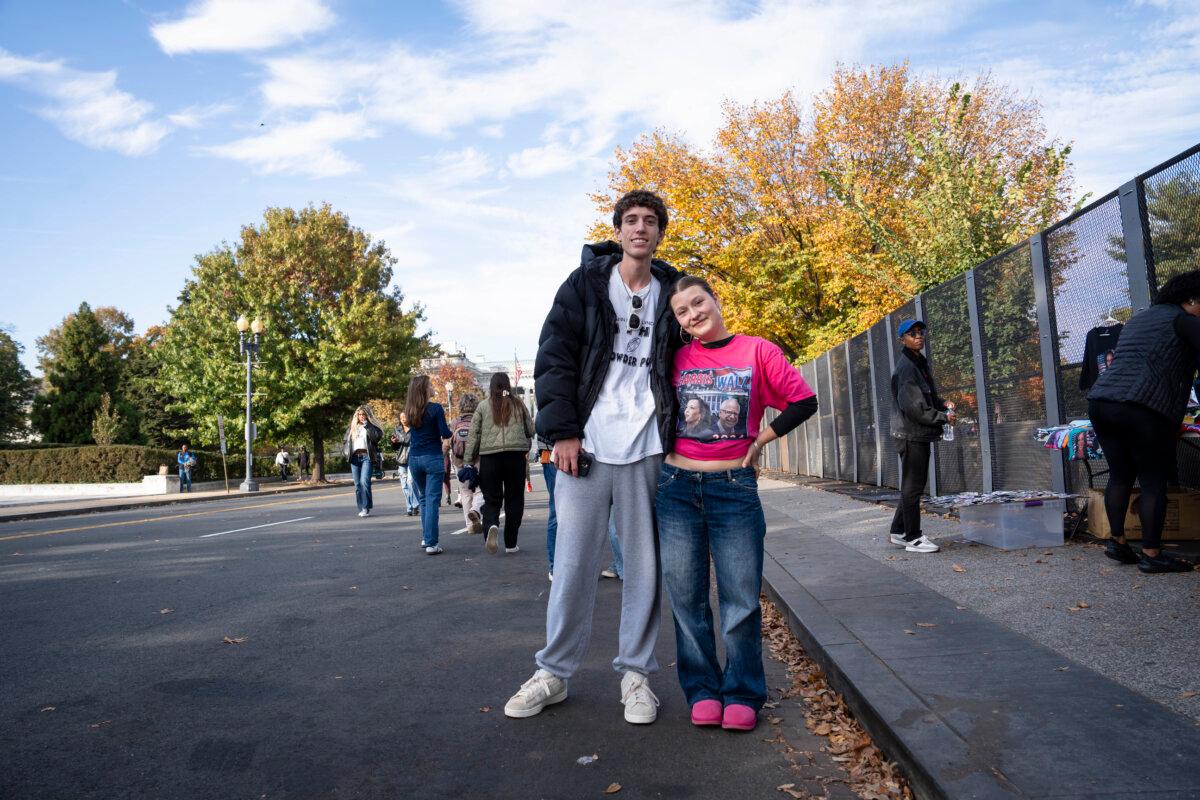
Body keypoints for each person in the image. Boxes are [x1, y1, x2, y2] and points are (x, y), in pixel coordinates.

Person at [505, 189, 683, 725]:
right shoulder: (584, 284)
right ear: (619, 229)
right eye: (631, 220)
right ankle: (553, 673)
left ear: (658, 233)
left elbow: (692, 358)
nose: (640, 229)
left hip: (648, 445)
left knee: (644, 569)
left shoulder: (673, 290)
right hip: (586, 445)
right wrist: (561, 431)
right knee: (575, 563)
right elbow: (553, 356)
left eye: (650, 221)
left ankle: (636, 676)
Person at [657, 275, 817, 731]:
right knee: (687, 599)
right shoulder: (673, 358)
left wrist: (763, 438)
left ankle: (743, 691)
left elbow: (804, 401)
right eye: (682, 312)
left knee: (741, 599)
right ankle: (703, 690)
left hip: (734, 489)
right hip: (676, 489)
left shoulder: (758, 351)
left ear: (715, 299)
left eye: (698, 302)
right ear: (679, 323)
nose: (692, 314)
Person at [1088, 269, 1200, 574]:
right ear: (1191, 299)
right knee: (1152, 481)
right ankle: (1152, 553)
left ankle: (1118, 543)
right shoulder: (1183, 321)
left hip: (1102, 402)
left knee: (1120, 475)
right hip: (1141, 407)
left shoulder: (1139, 319)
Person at [888, 319, 954, 554]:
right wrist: (942, 417)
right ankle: (913, 537)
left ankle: (898, 531)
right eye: (912, 333)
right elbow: (915, 408)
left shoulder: (917, 363)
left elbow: (926, 398)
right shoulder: (907, 368)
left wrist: (942, 404)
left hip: (913, 432)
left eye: (920, 332)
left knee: (911, 485)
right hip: (910, 434)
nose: (919, 336)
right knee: (913, 486)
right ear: (902, 339)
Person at [466, 373, 535, 554]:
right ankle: (511, 543)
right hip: (515, 458)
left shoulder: (482, 406)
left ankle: (491, 525)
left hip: (490, 458)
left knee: (492, 499)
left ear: (491, 386)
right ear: (508, 385)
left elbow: (474, 435)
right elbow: (531, 430)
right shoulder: (518, 404)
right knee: (514, 500)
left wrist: (468, 460)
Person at [405, 375, 452, 554]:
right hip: (432, 456)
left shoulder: (410, 411)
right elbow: (444, 432)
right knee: (432, 499)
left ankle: (426, 537)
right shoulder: (436, 409)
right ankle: (432, 543)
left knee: (424, 498)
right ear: (424, 389)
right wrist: (452, 432)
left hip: (414, 458)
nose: (433, 387)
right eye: (431, 385)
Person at [449, 393, 486, 534]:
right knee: (480, 490)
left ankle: (470, 525)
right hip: (478, 460)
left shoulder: (455, 422)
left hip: (459, 461)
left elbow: (447, 442)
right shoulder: (479, 420)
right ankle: (475, 510)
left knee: (465, 493)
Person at [343, 406, 382, 517]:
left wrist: (367, 426)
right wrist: (345, 452)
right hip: (355, 458)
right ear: (357, 416)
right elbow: (345, 442)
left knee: (365, 482)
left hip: (367, 457)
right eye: (359, 415)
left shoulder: (371, 427)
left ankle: (365, 508)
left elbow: (376, 438)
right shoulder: (352, 428)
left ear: (367, 416)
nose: (361, 416)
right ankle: (362, 507)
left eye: (363, 414)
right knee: (357, 484)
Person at [537, 433, 558, 581]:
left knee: (556, 511)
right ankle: (556, 567)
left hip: (549, 452)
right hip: (554, 452)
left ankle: (555, 567)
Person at [390, 413, 418, 516]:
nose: (403, 419)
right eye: (401, 418)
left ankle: (415, 504)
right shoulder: (397, 430)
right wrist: (393, 442)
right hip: (401, 460)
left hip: (412, 458)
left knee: (410, 482)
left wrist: (399, 440)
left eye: (404, 417)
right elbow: (395, 448)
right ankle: (409, 508)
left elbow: (408, 441)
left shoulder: (415, 429)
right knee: (404, 485)